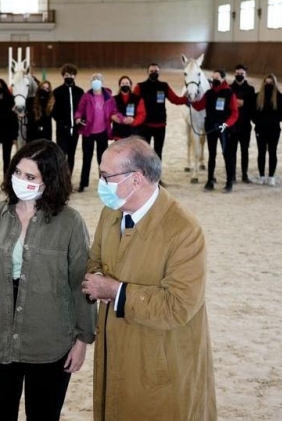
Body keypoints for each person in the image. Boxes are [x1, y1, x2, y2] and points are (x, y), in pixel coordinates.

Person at [0, 139, 96, 421]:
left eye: (30, 176)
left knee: (43, 415)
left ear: (50, 180)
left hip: (49, 342)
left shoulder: (70, 222)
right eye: (17, 172)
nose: (20, 180)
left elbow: (80, 282)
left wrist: (83, 339)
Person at [81, 137, 216, 421]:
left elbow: (178, 306)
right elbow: (95, 260)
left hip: (161, 364)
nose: (101, 184)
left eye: (106, 176)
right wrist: (94, 277)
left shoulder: (184, 231)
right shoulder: (111, 212)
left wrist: (115, 291)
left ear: (137, 180)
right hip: (115, 355)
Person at [190, 70, 239, 192]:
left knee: (227, 155)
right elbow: (199, 105)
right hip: (211, 127)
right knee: (212, 155)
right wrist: (191, 99)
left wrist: (226, 124)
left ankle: (229, 182)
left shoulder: (229, 93)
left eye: (217, 78)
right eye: (213, 78)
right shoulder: (209, 93)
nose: (214, 80)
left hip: (224, 129)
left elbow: (234, 112)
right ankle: (210, 180)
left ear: (223, 78)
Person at [74, 73, 121, 192]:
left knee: (102, 159)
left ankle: (104, 184)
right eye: (94, 79)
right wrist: (78, 118)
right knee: (87, 158)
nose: (96, 81)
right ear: (91, 81)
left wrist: (120, 118)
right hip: (88, 132)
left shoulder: (109, 97)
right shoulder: (86, 96)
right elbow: (80, 110)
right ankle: (83, 183)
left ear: (102, 81)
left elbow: (114, 111)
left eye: (99, 79)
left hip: (103, 132)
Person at [133, 63, 189, 160]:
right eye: (151, 71)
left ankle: (157, 173)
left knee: (158, 151)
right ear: (147, 72)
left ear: (159, 73)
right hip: (144, 125)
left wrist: (187, 98)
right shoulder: (140, 87)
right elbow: (132, 102)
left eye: (156, 71)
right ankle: (145, 173)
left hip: (160, 125)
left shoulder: (164, 86)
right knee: (144, 152)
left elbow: (175, 99)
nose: (154, 73)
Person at [251, 73, 282, 186]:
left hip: (274, 129)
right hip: (260, 129)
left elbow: (281, 114)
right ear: (263, 83)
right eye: (266, 82)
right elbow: (253, 113)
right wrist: (258, 122)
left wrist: (272, 121)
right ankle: (261, 176)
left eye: (271, 83)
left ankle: (271, 176)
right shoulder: (257, 96)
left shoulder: (280, 97)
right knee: (261, 152)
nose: (268, 84)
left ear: (274, 84)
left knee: (272, 152)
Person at [52, 64, 85, 176]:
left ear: (75, 76)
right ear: (63, 76)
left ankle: (68, 177)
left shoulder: (79, 92)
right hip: (62, 129)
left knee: (71, 154)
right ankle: (60, 178)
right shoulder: (57, 92)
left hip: (75, 129)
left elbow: (83, 108)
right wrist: (62, 122)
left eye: (71, 75)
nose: (69, 77)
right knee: (61, 154)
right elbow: (54, 111)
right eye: (66, 75)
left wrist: (80, 121)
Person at [230, 64, 256, 183]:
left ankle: (244, 174)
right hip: (232, 125)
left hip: (245, 125)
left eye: (242, 74)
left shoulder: (250, 89)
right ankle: (233, 175)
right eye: (237, 74)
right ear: (234, 73)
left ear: (245, 75)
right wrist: (242, 102)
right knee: (232, 151)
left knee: (244, 151)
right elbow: (229, 105)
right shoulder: (229, 88)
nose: (239, 76)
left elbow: (251, 105)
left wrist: (240, 103)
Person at [111, 75, 146, 140]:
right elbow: (110, 113)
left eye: (127, 83)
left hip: (133, 133)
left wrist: (134, 122)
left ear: (130, 85)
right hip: (119, 133)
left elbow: (142, 114)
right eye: (123, 83)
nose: (125, 85)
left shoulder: (138, 99)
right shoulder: (113, 99)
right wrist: (112, 117)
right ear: (119, 86)